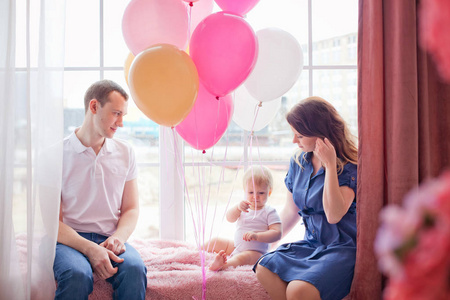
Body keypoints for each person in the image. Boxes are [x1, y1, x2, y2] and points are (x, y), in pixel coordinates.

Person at [254, 96, 358, 300]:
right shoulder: (298, 162)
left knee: (298, 290)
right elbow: (291, 212)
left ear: (320, 135)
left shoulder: (348, 167)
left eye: (299, 135)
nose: (294, 141)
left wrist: (329, 166)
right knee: (265, 267)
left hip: (342, 248)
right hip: (311, 244)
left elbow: (334, 215)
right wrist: (269, 242)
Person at [53, 80, 147, 299]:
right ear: (94, 107)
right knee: (76, 274)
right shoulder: (55, 154)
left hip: (109, 237)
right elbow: (50, 222)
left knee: (135, 270)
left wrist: (119, 238)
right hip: (68, 241)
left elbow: (131, 208)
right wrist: (90, 249)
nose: (121, 123)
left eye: (123, 115)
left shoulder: (126, 151)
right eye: (116, 113)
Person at [206, 165, 282, 271]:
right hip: (237, 246)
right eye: (251, 192)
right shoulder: (243, 207)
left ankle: (222, 266)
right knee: (216, 241)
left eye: (261, 193)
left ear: (269, 192)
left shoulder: (269, 212)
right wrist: (237, 208)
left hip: (256, 253)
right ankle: (192, 252)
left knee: (242, 257)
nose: (255, 197)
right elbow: (229, 218)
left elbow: (277, 233)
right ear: (245, 191)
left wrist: (257, 236)